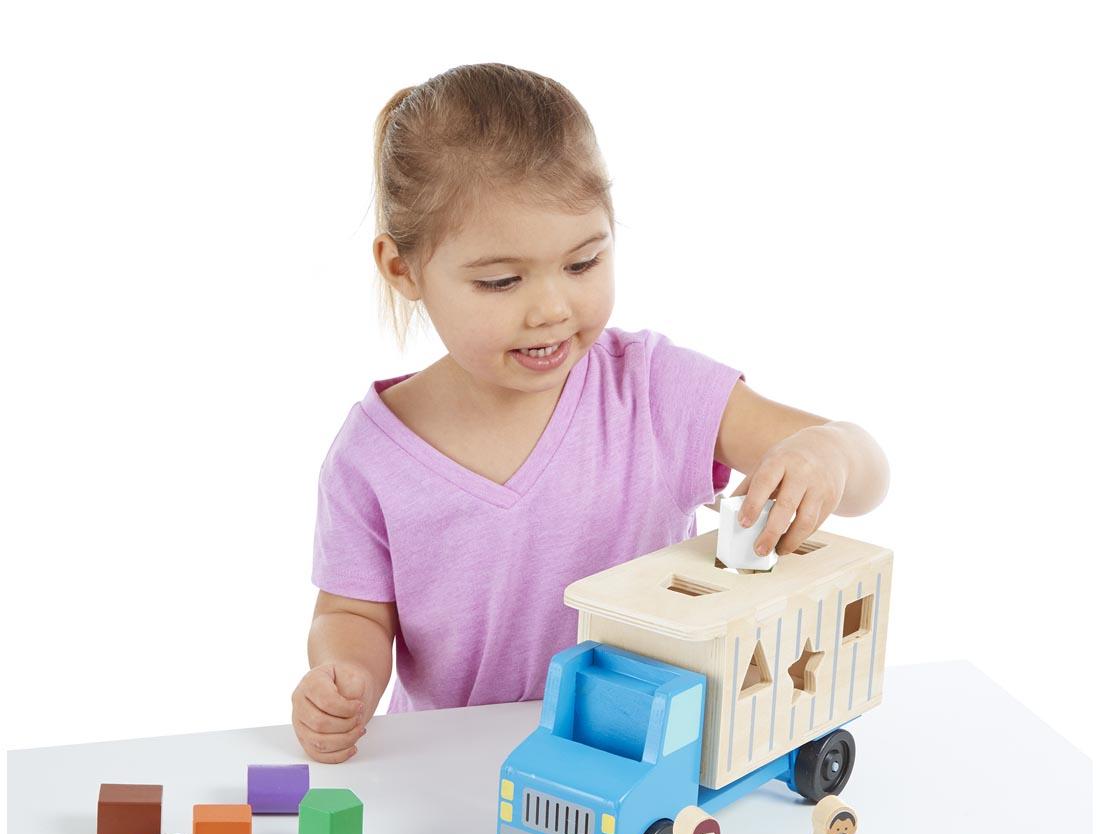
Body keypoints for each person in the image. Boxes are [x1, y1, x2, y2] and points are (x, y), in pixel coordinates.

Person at [291, 62, 891, 764]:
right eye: (501, 280)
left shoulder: (652, 389)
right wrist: (346, 677)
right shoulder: (373, 456)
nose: (551, 308)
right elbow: (352, 613)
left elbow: (866, 476)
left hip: (650, 749)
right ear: (403, 269)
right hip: (457, 769)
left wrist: (826, 455)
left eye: (582, 263)